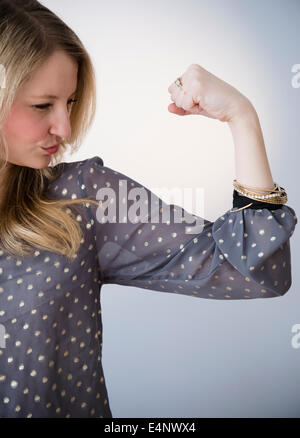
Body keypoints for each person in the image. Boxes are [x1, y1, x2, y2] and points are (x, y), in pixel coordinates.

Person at [0, 0, 297, 419]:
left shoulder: (83, 200)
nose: (65, 129)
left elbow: (257, 271)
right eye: (42, 105)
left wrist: (241, 117)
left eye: (70, 102)